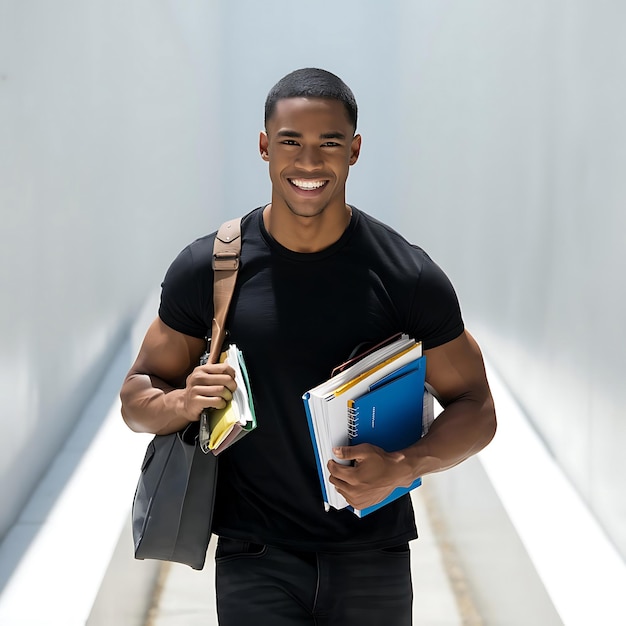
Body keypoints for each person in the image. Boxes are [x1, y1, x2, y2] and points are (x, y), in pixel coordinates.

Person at [120, 67, 496, 625]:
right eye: (292, 142)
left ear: (356, 150)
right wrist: (181, 402)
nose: (310, 163)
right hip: (255, 556)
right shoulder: (211, 269)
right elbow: (135, 397)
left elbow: (476, 407)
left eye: (330, 144)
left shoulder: (407, 276)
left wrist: (403, 465)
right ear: (266, 147)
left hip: (374, 556)